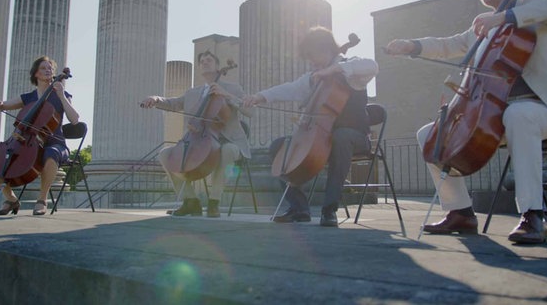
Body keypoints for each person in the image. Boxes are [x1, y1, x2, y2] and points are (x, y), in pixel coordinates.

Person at [384, 0, 547, 244]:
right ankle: (461, 213)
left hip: (545, 111)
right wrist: (412, 45)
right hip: (496, 117)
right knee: (430, 135)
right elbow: (449, 44)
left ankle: (532, 215)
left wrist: (506, 17)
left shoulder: (535, 2)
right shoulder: (484, 27)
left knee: (519, 115)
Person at [243, 26, 378, 227]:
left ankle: (329, 209)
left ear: (327, 49)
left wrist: (333, 69)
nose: (311, 62)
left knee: (341, 137)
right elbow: (289, 89)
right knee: (279, 147)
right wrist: (260, 96)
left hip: (354, 137)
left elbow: (372, 66)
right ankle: (299, 209)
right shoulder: (314, 77)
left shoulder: (349, 68)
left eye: (313, 56)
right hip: (321, 138)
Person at [141, 51, 252, 218]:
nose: (205, 62)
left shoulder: (232, 88)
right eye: (202, 61)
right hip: (199, 142)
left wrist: (226, 95)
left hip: (229, 142)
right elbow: (173, 103)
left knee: (226, 150)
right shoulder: (193, 92)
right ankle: (191, 201)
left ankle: (214, 202)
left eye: (209, 60)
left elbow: (249, 111)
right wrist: (156, 99)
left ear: (217, 66)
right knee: (165, 155)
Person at [0, 56, 80, 216]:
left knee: (51, 154)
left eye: (50, 68)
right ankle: (11, 199)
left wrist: (62, 95)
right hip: (27, 143)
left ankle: (42, 199)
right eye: (43, 68)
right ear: (36, 73)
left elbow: (75, 119)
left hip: (55, 144)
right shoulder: (28, 97)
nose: (48, 70)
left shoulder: (62, 95)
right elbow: (4, 105)